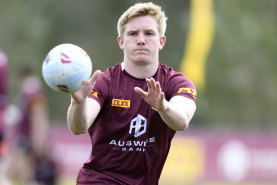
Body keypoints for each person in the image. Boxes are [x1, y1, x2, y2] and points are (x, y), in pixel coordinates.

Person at [67, 2, 197, 185]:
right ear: (121, 41)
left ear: (161, 41)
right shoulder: (105, 81)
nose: (141, 40)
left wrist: (163, 106)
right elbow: (78, 126)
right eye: (133, 33)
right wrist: (78, 103)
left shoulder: (177, 83)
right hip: (99, 180)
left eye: (149, 33)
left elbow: (182, 121)